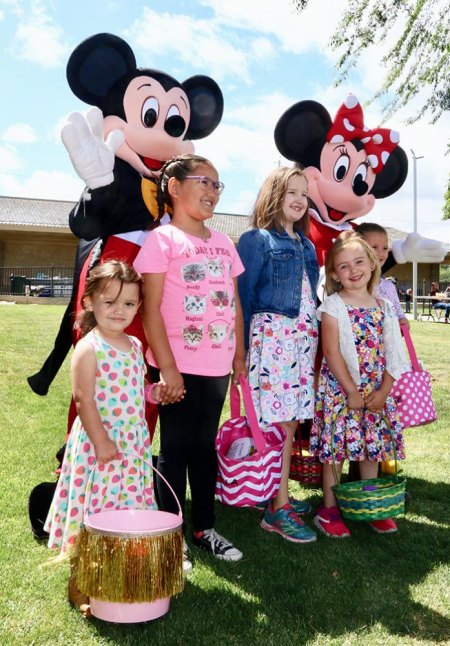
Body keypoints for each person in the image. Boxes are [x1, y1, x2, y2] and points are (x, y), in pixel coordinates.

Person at [134, 154, 246, 570]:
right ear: (175, 188)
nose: (212, 191)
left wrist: (238, 356)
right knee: (176, 449)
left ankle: (203, 529)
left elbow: (233, 302)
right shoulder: (161, 242)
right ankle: (170, 537)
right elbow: (150, 311)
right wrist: (167, 369)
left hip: (216, 365)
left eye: (218, 185)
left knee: (204, 446)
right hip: (176, 365)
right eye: (204, 181)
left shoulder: (224, 243)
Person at [44, 260, 159, 615]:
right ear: (90, 301)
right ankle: (80, 581)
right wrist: (101, 441)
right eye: (109, 302)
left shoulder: (136, 345)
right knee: (95, 512)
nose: (119, 311)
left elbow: (136, 390)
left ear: (138, 306)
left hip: (131, 446)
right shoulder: (88, 348)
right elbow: (83, 399)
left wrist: (155, 393)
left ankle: (117, 573)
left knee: (127, 509)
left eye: (128, 304)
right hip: (100, 446)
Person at [237, 166, 319, 544]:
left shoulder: (306, 246)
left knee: (288, 424)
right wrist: (243, 349)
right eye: (292, 193)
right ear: (274, 196)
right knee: (279, 424)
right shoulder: (257, 240)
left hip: (301, 343)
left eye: (304, 194)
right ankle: (276, 508)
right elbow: (244, 297)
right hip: (272, 342)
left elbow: (309, 295)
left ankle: (277, 492)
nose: (300, 200)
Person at [310, 231, 407, 538]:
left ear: (372, 263)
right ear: (335, 275)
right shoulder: (333, 306)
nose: (353, 271)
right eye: (343, 266)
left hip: (376, 390)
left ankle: (370, 505)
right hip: (343, 391)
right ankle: (329, 510)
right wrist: (351, 390)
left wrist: (384, 391)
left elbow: (395, 351)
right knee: (336, 449)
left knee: (371, 448)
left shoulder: (384, 306)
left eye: (358, 262)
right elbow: (331, 351)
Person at [355, 223, 409, 329]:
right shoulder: (351, 286)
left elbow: (399, 314)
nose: (381, 253)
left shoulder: (389, 287)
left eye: (385, 248)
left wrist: (403, 321)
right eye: (374, 247)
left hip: (386, 344)